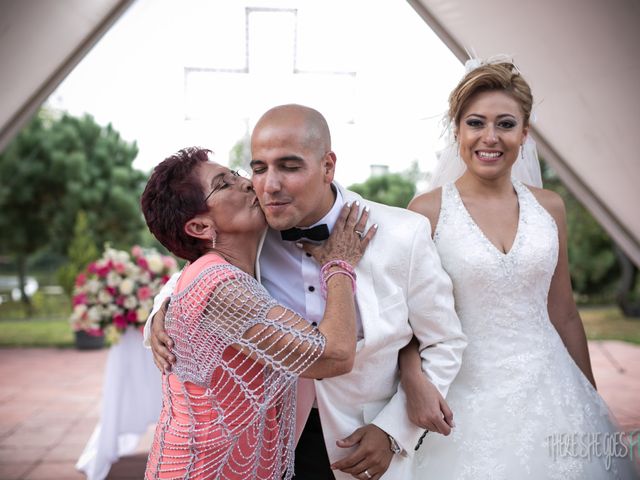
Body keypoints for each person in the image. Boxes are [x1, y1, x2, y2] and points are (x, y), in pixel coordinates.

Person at [146, 105, 467, 479]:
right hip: (271, 447)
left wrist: (394, 430)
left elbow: (443, 341)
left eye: (290, 166)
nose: (267, 185)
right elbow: (193, 278)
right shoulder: (250, 230)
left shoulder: (403, 234)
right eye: (259, 167)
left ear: (328, 166)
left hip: (364, 445)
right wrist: (160, 314)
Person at [400, 59, 638, 479]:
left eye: (505, 124)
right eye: (476, 123)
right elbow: (404, 321)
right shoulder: (427, 212)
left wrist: (591, 401)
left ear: (524, 133)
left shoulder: (550, 208)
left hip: (554, 393)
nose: (490, 137)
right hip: (462, 398)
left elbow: (563, 311)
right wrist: (414, 382)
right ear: (457, 130)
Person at [139, 146, 376, 479]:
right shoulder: (219, 284)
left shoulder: (218, 273)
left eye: (236, 174)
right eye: (224, 184)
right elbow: (335, 355)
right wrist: (338, 265)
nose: (248, 183)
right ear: (199, 228)